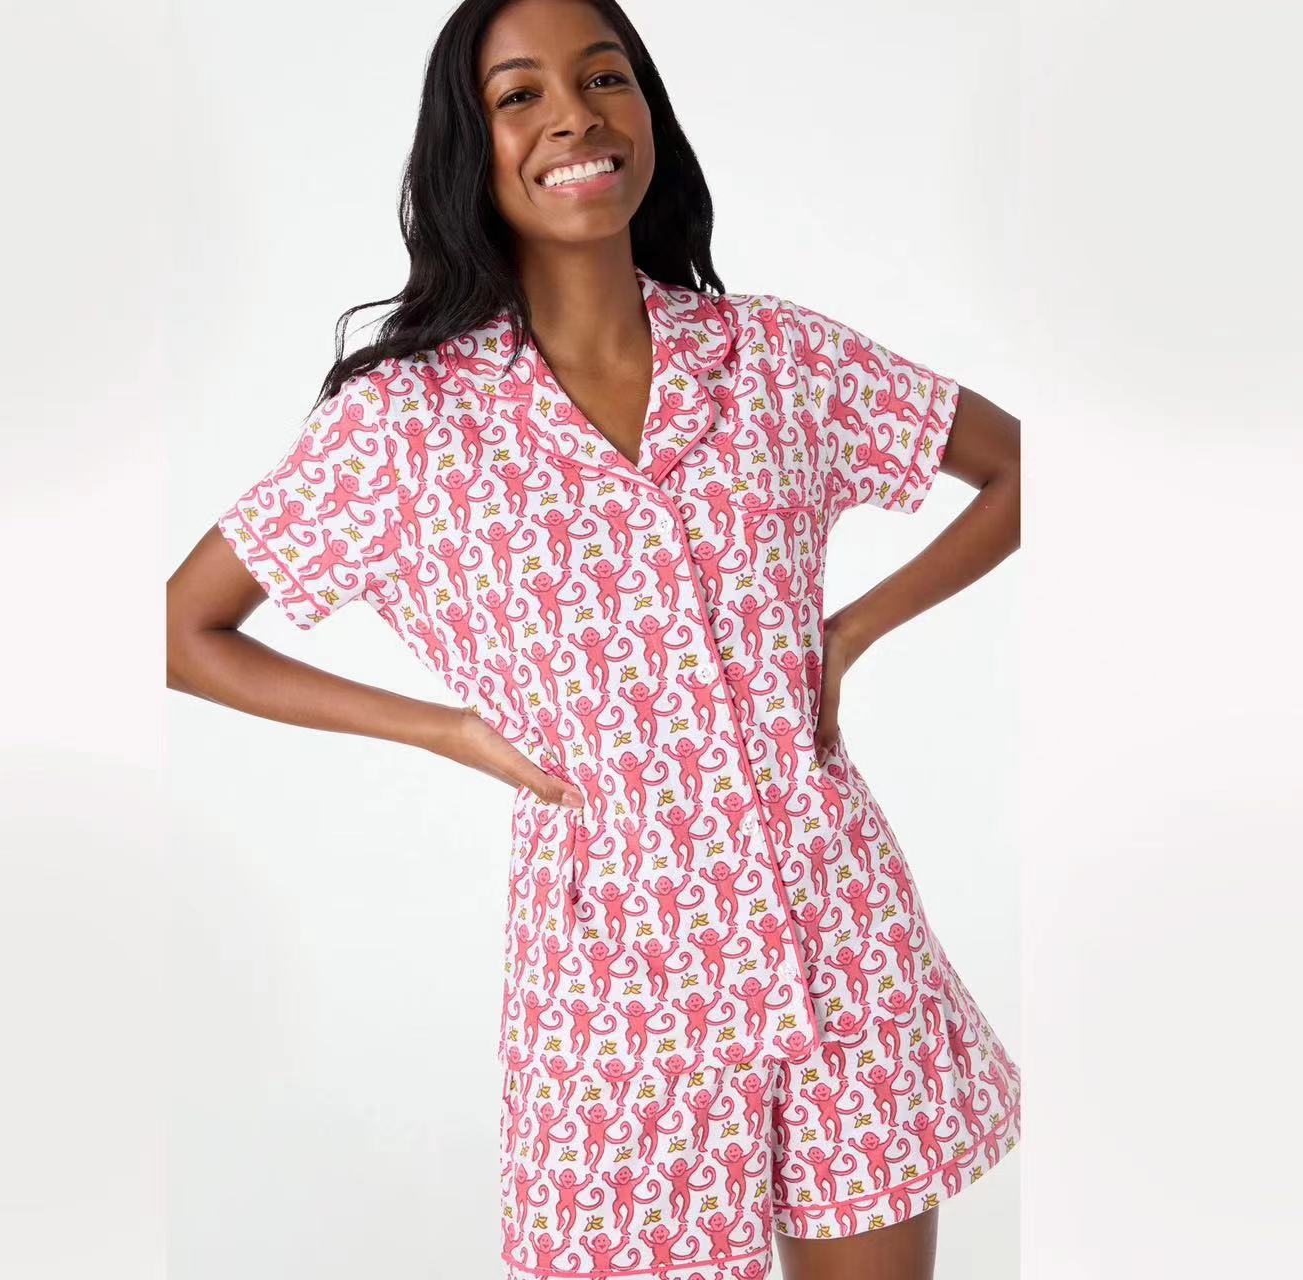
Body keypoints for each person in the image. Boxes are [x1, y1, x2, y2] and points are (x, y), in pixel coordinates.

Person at [166, 1, 1023, 1276]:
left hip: (840, 939)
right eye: (521, 95)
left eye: (604, 77)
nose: (574, 115)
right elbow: (182, 630)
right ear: (473, 147)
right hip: (620, 986)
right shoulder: (406, 425)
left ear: (646, 112)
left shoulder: (776, 357)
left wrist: (849, 631)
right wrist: (448, 730)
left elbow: (1022, 471)